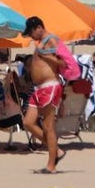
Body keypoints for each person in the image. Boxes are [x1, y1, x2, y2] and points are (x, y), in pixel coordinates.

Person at [21, 16, 66, 174]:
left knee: (48, 127)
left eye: (31, 33)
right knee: (28, 122)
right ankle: (57, 151)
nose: (31, 37)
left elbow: (64, 63)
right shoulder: (41, 43)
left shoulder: (52, 39)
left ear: (38, 27)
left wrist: (46, 57)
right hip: (38, 88)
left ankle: (51, 165)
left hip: (50, 86)